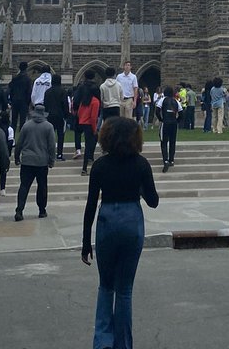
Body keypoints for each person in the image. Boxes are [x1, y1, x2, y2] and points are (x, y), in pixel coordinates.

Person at [81, 118, 159, 349]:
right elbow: (153, 201)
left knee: (106, 285)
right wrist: (140, 188)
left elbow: (91, 205)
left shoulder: (100, 166)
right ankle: (123, 344)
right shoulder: (141, 164)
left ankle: (102, 342)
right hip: (131, 218)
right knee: (124, 289)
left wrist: (86, 242)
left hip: (107, 218)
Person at [14, 104, 56, 220]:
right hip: (42, 161)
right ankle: (42, 210)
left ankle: (19, 210)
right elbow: (52, 146)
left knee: (24, 186)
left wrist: (17, 157)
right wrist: (52, 160)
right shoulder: (48, 127)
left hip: (27, 160)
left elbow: (19, 143)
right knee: (42, 187)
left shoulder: (26, 126)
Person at [78, 74, 101, 176]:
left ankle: (90, 158)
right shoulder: (95, 102)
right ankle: (84, 168)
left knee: (93, 140)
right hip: (89, 124)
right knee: (89, 144)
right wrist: (95, 129)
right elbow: (93, 117)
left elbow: (79, 112)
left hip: (83, 123)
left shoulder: (85, 100)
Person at [43, 74, 69, 161]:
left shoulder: (47, 92)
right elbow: (65, 104)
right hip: (60, 115)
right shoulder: (63, 91)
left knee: (50, 136)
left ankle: (49, 154)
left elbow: (45, 104)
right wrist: (66, 115)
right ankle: (59, 154)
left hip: (50, 115)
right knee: (61, 135)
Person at [158, 87, 182, 172]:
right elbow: (181, 113)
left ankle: (165, 160)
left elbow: (157, 110)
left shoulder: (162, 100)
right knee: (172, 141)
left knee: (163, 142)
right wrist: (177, 121)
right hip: (173, 123)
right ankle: (171, 159)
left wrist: (161, 119)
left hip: (165, 123)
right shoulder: (176, 101)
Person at [8, 61, 31, 135]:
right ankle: (22, 140)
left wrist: (11, 100)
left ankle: (12, 138)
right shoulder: (27, 79)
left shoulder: (15, 78)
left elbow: (10, 89)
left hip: (15, 101)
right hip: (23, 102)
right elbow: (29, 92)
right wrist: (28, 102)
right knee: (22, 122)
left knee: (13, 122)